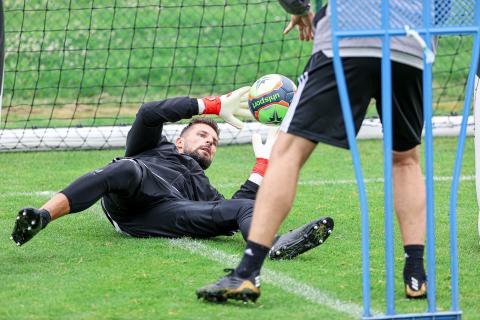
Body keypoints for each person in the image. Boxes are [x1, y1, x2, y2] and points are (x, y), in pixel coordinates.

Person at [197, 0, 429, 302]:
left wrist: (298, 7)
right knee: (406, 160)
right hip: (411, 43)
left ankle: (248, 272)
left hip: (347, 39)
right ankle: (415, 274)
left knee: (287, 151)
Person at [10, 87, 334, 263]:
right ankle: (42, 216)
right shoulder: (151, 147)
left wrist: (262, 163)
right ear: (180, 140)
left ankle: (272, 245)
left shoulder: (202, 186)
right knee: (124, 166)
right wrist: (211, 105)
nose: (210, 142)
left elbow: (240, 207)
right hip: (131, 191)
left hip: (163, 213)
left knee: (239, 210)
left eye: (215, 142)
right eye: (203, 136)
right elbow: (149, 113)